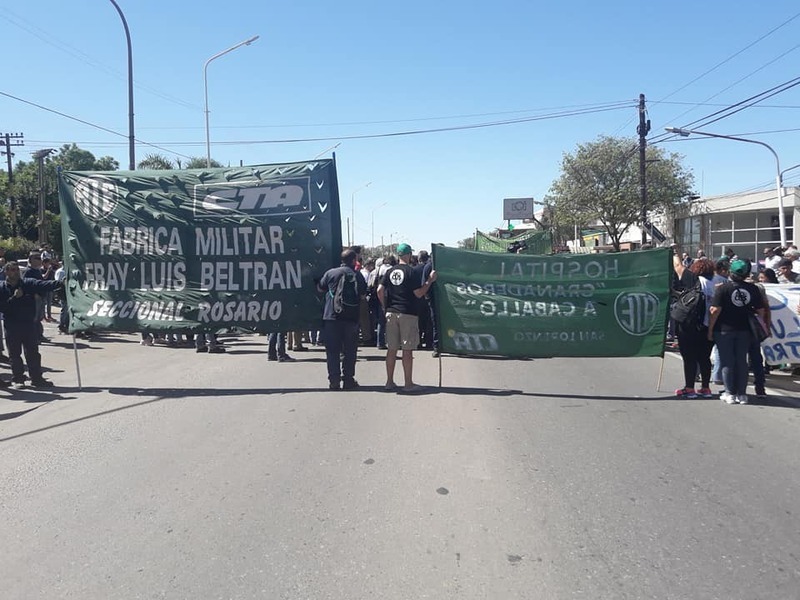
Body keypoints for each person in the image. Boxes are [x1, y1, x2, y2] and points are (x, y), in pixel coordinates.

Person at [377, 243, 437, 392]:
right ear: (409, 255)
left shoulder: (390, 271)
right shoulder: (411, 272)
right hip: (407, 313)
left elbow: (379, 289)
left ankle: (389, 382)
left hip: (391, 312)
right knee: (407, 349)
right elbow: (418, 293)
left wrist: (385, 306)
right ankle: (408, 384)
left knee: (391, 349)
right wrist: (430, 281)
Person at [707, 259, 767, 405]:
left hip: (724, 330)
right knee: (742, 361)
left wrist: (710, 330)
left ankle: (730, 393)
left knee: (727, 361)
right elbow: (761, 311)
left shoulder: (722, 288)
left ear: (730, 272)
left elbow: (715, 311)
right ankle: (742, 394)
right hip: (745, 330)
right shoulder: (753, 289)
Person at [0, 261, 63, 388]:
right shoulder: (2, 288)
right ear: (6, 272)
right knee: (14, 354)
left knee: (33, 352)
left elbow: (43, 285)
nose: (16, 272)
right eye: (12, 270)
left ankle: (36, 379)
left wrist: (61, 283)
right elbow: (2, 308)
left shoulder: (27, 283)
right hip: (12, 326)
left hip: (29, 324)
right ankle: (18, 379)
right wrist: (14, 298)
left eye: (17, 270)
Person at [317, 248, 367, 390]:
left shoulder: (330, 273)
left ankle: (334, 380)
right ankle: (348, 379)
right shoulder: (357, 276)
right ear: (353, 260)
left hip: (331, 317)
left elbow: (320, 288)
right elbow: (363, 296)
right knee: (350, 351)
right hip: (351, 318)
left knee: (332, 351)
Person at [672, 254, 716, 398]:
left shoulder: (694, 281)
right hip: (709, 326)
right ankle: (705, 388)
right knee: (704, 357)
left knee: (689, 357)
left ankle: (689, 388)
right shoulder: (716, 284)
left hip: (690, 326)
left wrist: (674, 253)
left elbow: (678, 266)